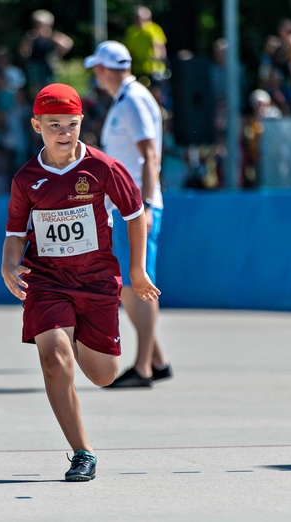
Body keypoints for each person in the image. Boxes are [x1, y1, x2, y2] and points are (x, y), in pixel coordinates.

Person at [0, 83, 159, 481]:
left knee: (104, 374)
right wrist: (8, 264)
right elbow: (16, 231)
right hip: (47, 280)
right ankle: (82, 452)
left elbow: (135, 214)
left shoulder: (103, 168)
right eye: (54, 125)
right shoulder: (26, 179)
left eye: (71, 125)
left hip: (96, 281)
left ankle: (71, 332)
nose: (64, 133)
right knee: (53, 356)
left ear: (81, 123)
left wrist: (137, 271)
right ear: (36, 125)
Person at [84, 41, 172, 388]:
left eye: (96, 69)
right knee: (128, 286)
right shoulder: (128, 98)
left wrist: (146, 206)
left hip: (134, 207)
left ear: (106, 69)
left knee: (138, 285)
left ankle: (144, 367)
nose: (95, 76)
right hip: (127, 205)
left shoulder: (132, 100)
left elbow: (149, 156)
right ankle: (157, 360)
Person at [19, 9, 74, 97]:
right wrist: (30, 41)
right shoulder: (31, 36)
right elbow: (23, 53)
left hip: (49, 69)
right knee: (37, 94)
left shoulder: (53, 36)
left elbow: (68, 44)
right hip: (35, 69)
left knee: (50, 92)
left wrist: (58, 55)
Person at [123, 6, 169, 85]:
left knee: (157, 93)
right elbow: (128, 49)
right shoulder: (131, 31)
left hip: (154, 69)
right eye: (137, 18)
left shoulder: (154, 29)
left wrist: (160, 61)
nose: (139, 21)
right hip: (138, 70)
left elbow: (160, 48)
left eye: (142, 18)